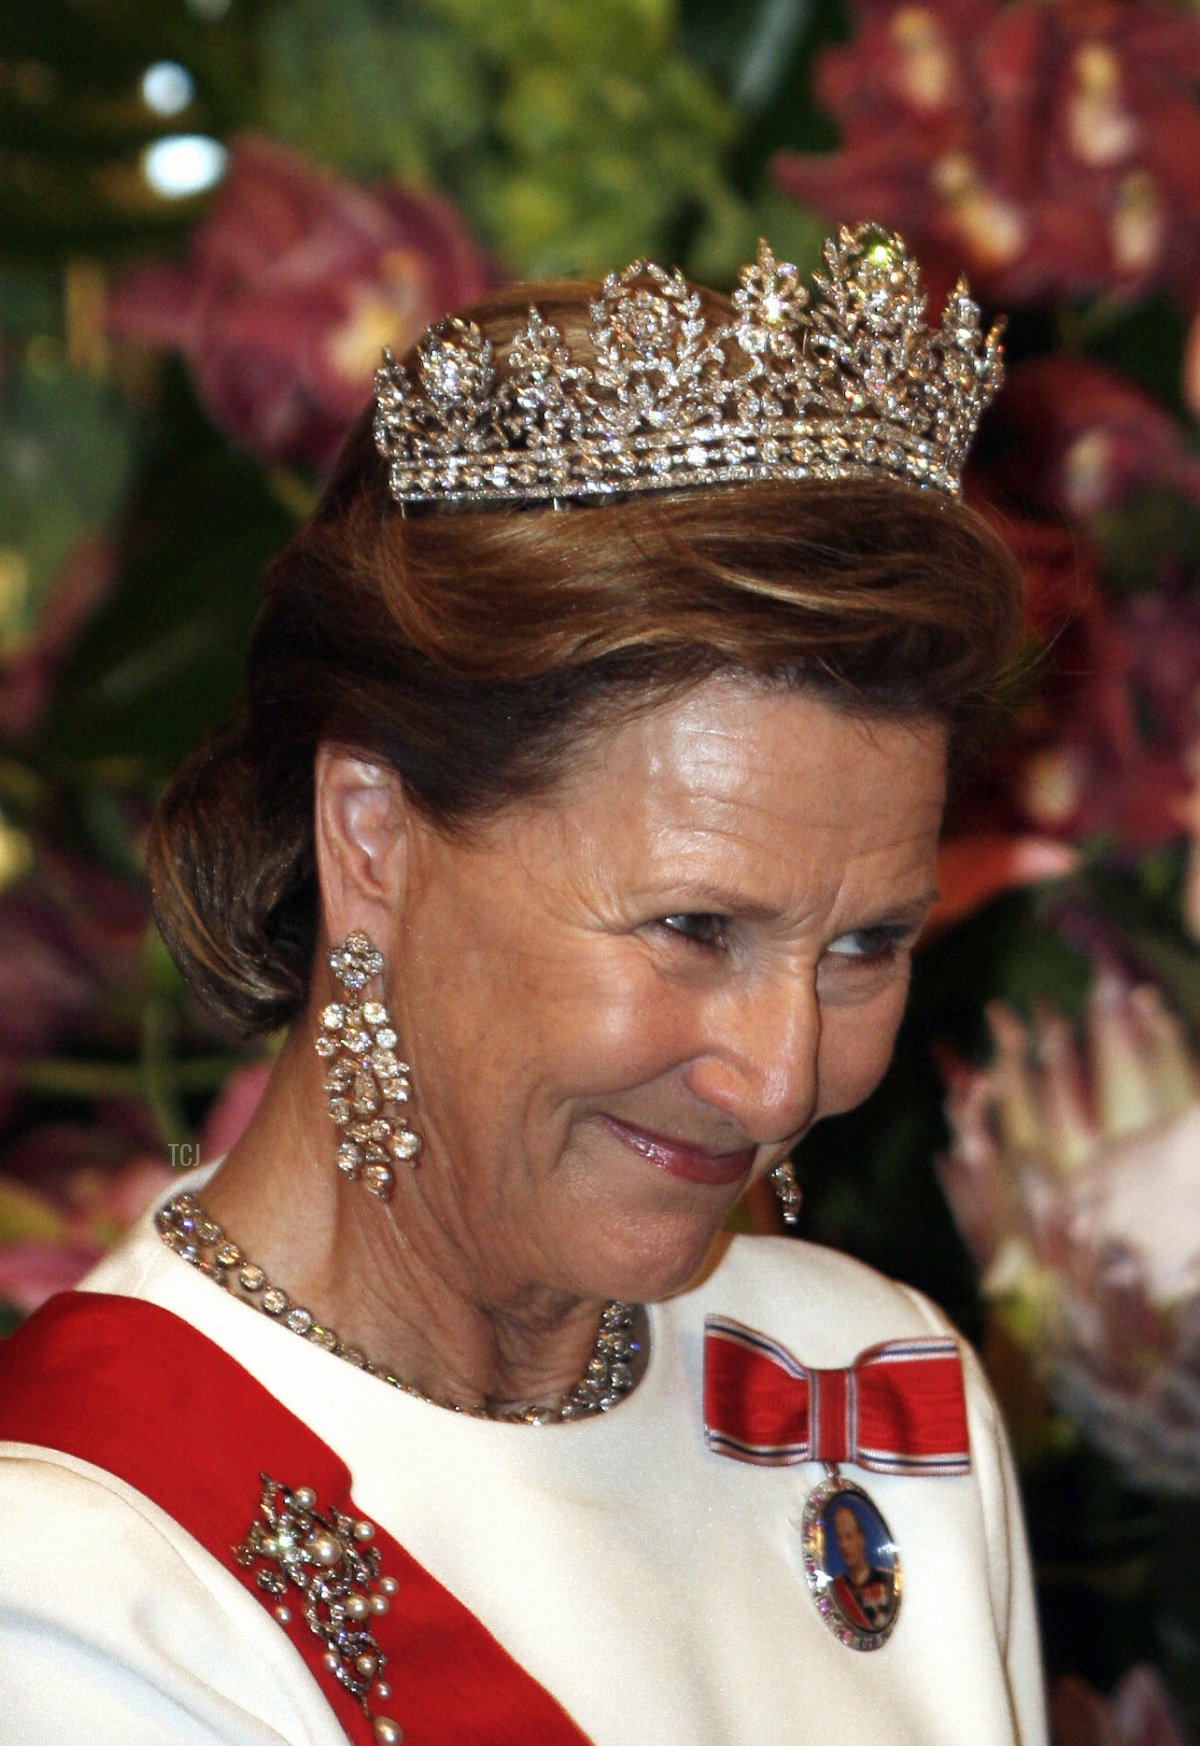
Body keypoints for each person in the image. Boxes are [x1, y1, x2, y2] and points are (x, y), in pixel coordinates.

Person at [0, 227, 1047, 1745]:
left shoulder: (881, 1396)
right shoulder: (83, 1571)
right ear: (372, 835)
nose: (778, 1076)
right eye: (694, 925)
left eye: (864, 947)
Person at [829, 1500, 896, 1633]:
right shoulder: (834, 1590)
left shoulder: (888, 1579)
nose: (844, 1545)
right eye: (839, 1538)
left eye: (849, 1537)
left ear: (861, 1538)